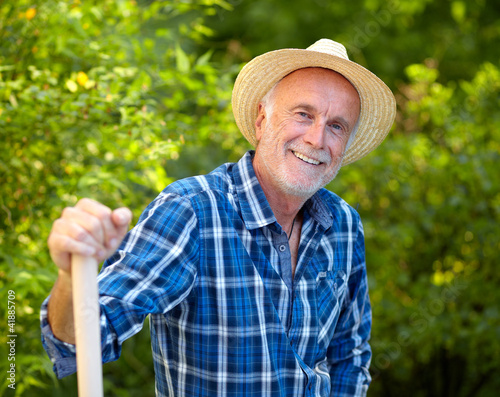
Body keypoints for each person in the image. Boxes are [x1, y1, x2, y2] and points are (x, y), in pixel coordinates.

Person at [41, 39, 396, 396]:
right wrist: (71, 273)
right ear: (261, 119)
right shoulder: (192, 210)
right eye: (303, 114)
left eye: (336, 126)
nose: (317, 138)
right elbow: (81, 339)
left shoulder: (344, 225)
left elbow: (349, 356)